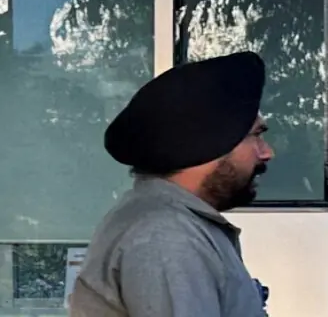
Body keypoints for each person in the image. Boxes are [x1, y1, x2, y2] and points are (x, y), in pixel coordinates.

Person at [69, 51, 273, 317]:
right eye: (256, 135)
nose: (267, 152)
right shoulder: (166, 236)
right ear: (211, 144)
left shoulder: (174, 224)